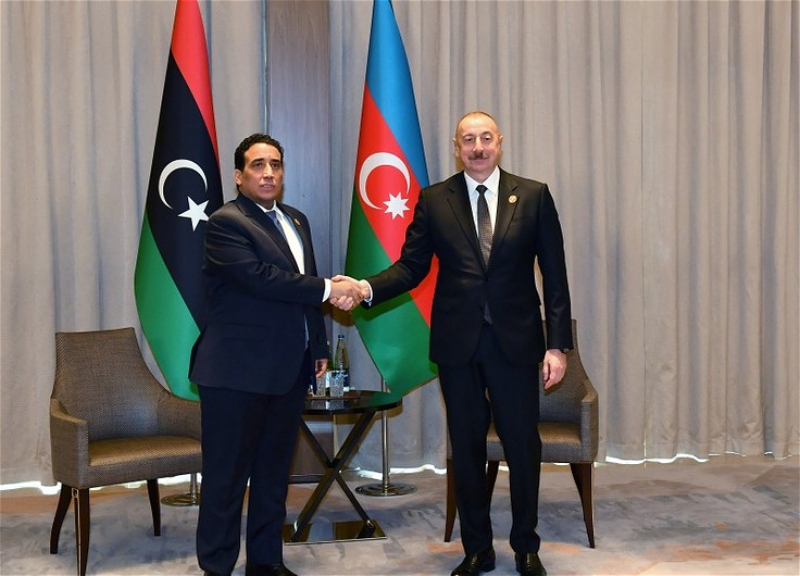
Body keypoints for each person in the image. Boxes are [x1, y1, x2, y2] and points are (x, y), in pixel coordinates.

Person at [335, 111, 572, 576]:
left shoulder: (533, 195)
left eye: (485, 138)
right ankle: (477, 549)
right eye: (468, 140)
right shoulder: (434, 199)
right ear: (456, 147)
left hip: (516, 344)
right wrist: (364, 288)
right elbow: (411, 267)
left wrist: (557, 345)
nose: (477, 148)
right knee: (466, 449)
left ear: (500, 142)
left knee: (523, 447)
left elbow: (556, 276)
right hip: (458, 346)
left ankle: (526, 546)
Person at [189, 133, 364, 576]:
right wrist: (330, 288)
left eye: (275, 165)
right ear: (238, 175)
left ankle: (266, 562)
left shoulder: (296, 220)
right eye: (257, 165)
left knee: (272, 473)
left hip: (288, 367)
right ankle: (216, 566)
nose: (268, 173)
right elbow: (261, 279)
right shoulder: (225, 222)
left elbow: (303, 290)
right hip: (234, 373)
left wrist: (318, 346)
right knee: (227, 478)